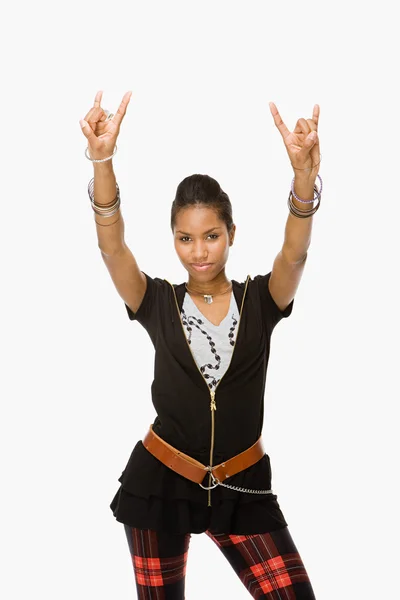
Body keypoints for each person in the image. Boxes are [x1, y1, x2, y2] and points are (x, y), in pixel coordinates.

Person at [80, 90, 321, 599]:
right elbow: (112, 246)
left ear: (231, 233)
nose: (199, 251)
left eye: (211, 235)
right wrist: (102, 160)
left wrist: (302, 181)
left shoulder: (260, 300)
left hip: (242, 486)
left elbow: (294, 257)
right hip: (161, 484)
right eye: (185, 239)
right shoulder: (157, 302)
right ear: (173, 240)